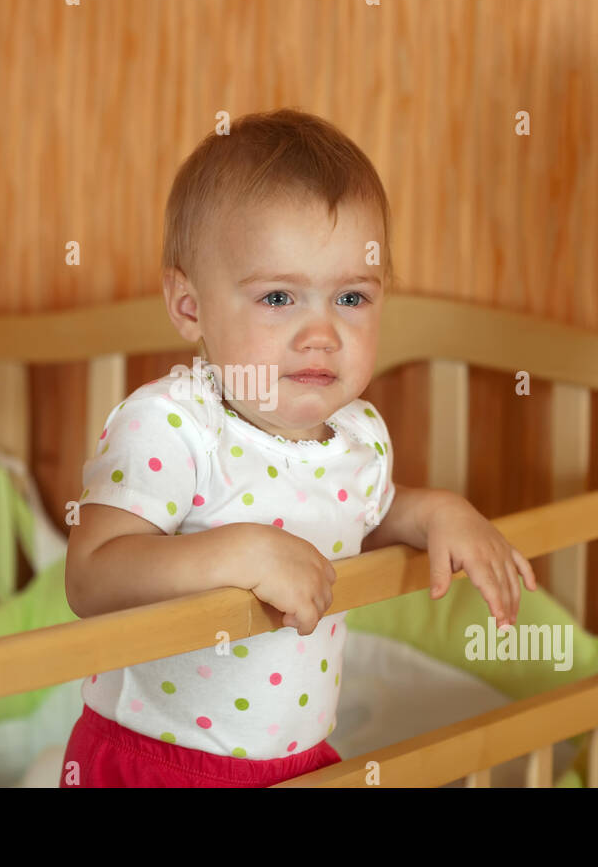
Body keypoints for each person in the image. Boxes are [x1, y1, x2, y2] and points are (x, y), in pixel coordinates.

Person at [59, 108, 535, 788]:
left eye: (351, 296)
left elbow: (374, 512)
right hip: (155, 762)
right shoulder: (173, 425)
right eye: (279, 296)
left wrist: (439, 513)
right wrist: (240, 551)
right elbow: (91, 574)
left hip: (297, 763)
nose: (322, 333)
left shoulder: (357, 437)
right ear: (190, 306)